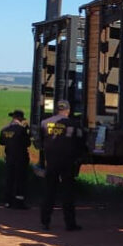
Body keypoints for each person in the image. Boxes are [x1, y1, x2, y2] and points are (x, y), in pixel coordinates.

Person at [39, 99, 86, 231]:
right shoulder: (74, 124)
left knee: (49, 192)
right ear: (68, 110)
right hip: (67, 163)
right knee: (68, 194)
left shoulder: (44, 123)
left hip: (52, 162)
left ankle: (45, 222)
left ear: (56, 109)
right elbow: (80, 143)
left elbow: (41, 141)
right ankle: (70, 224)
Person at [0, 110, 31, 209]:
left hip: (9, 158)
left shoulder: (4, 129)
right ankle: (19, 202)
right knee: (20, 180)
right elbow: (28, 144)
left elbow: (2, 142)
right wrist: (27, 133)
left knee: (9, 179)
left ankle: (7, 202)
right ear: (20, 119)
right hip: (21, 158)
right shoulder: (21, 130)